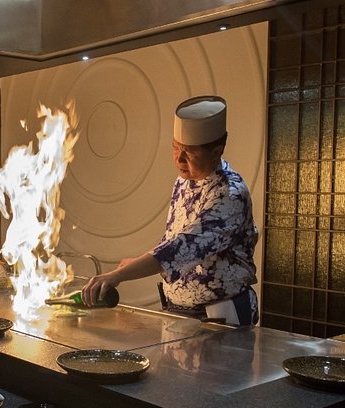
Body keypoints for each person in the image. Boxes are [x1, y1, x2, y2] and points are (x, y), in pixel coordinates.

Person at [81, 96, 259, 325]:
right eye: (175, 148)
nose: (179, 159)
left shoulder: (229, 195)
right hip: (179, 313)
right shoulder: (184, 181)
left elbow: (182, 247)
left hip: (220, 317)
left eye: (190, 152)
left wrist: (118, 276)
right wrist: (138, 261)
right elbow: (173, 238)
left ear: (217, 151)